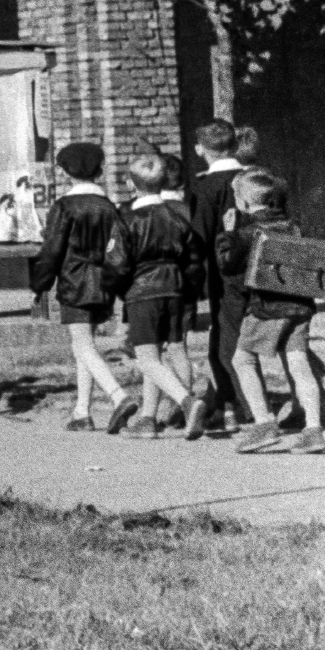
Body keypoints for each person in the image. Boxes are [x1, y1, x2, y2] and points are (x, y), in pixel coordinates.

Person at [219, 169, 325, 454]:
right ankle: (314, 429)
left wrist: (229, 234)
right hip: (300, 306)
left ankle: (264, 424)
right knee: (299, 364)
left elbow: (228, 266)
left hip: (266, 308)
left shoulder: (246, 234)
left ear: (242, 202)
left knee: (242, 359)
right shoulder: (294, 227)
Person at [30, 142, 127, 431]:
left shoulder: (64, 206)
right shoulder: (109, 206)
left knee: (83, 345)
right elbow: (119, 248)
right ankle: (82, 412)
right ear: (99, 170)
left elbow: (52, 250)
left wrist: (40, 283)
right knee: (84, 346)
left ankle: (118, 396)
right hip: (103, 280)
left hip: (74, 280)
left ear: (65, 172)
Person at [107, 153, 201, 439]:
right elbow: (193, 260)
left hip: (142, 291)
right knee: (161, 353)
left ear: (130, 183)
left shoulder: (126, 220)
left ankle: (187, 402)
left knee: (146, 357)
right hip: (175, 289)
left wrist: (114, 289)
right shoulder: (178, 218)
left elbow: (116, 263)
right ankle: (148, 419)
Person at [184, 119, 250, 432]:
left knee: (225, 340)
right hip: (261, 269)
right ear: (235, 145)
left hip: (224, 273)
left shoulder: (205, 187)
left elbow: (199, 237)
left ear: (200, 150)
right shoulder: (256, 178)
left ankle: (236, 406)